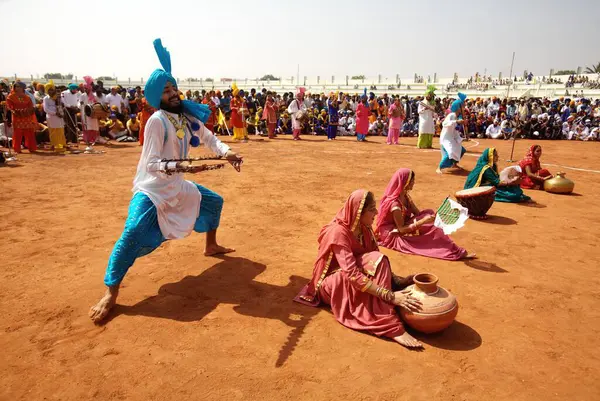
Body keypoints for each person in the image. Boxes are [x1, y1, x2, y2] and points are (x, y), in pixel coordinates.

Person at [89, 39, 244, 323]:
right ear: (156, 96)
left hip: (178, 185)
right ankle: (111, 293)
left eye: (174, 87)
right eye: (167, 90)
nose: (173, 93)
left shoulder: (185, 115)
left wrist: (227, 152)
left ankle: (211, 245)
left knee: (213, 203)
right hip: (153, 190)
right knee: (132, 233)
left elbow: (208, 137)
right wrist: (182, 166)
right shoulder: (156, 121)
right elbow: (151, 164)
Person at [294, 189, 424, 349]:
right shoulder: (338, 233)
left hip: (351, 277)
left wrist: (398, 280)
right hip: (330, 285)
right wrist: (389, 296)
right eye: (371, 209)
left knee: (379, 260)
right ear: (358, 212)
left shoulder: (364, 228)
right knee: (375, 264)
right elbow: (352, 274)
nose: (376, 212)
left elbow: (375, 264)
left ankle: (381, 307)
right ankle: (389, 324)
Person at [376, 169, 472, 261]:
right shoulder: (395, 205)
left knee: (429, 213)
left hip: (403, 226)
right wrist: (424, 221)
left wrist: (434, 215)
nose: (413, 182)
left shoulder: (405, 196)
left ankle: (449, 247)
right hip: (394, 233)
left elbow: (418, 214)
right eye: (412, 181)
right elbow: (401, 229)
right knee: (433, 228)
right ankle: (452, 251)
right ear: (405, 182)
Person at [464, 148, 531, 203]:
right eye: (495, 155)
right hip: (480, 187)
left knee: (512, 188)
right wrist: (511, 182)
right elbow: (497, 183)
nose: (497, 156)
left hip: (490, 184)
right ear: (490, 157)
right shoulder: (486, 168)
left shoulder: (493, 165)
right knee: (512, 194)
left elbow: (497, 179)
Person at [437, 93, 467, 174]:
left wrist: (461, 139)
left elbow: (456, 130)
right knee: (450, 152)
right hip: (446, 138)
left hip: (453, 138)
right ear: (458, 107)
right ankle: (439, 167)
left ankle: (454, 164)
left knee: (461, 150)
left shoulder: (458, 117)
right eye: (462, 107)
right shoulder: (451, 115)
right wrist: (456, 121)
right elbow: (444, 124)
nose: (463, 108)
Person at [6, 81, 38, 153]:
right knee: (17, 133)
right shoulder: (11, 97)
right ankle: (17, 148)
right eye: (16, 86)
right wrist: (13, 110)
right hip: (17, 117)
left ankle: (31, 147)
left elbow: (30, 106)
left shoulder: (27, 97)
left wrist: (28, 110)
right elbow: (9, 106)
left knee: (29, 132)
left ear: (23, 88)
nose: (17, 88)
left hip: (27, 117)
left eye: (19, 86)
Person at [42, 80, 67, 152]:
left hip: (59, 116)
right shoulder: (46, 98)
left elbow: (64, 104)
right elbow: (46, 109)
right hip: (51, 117)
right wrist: (55, 113)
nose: (50, 91)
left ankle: (62, 144)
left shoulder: (59, 96)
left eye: (52, 89)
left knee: (61, 130)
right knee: (53, 131)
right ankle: (54, 144)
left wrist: (61, 107)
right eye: (49, 90)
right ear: (47, 91)